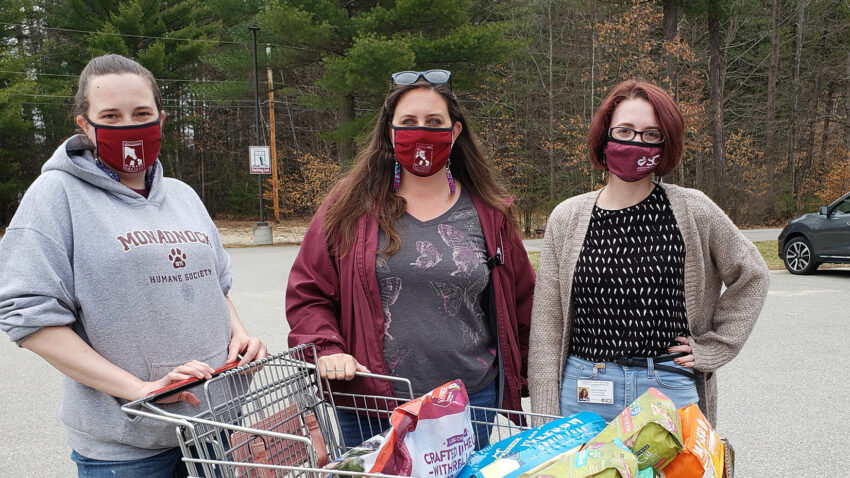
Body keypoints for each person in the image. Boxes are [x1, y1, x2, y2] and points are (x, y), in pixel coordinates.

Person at [0, 54, 267, 477]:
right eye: (111, 115)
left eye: (141, 113)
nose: (129, 126)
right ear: (84, 124)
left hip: (214, 428)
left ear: (160, 118)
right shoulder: (56, 195)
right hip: (130, 450)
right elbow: (29, 319)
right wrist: (141, 391)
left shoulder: (182, 195)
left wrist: (240, 336)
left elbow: (217, 286)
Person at [286, 69, 535, 448]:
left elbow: (522, 304)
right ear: (390, 132)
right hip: (372, 403)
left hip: (468, 402)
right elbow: (309, 292)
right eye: (409, 122)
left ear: (454, 132)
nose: (422, 131)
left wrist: (531, 377)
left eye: (434, 122)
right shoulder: (349, 205)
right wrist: (326, 349)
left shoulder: (490, 213)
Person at [528, 79, 769, 425]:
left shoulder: (692, 209)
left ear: (665, 143)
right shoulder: (567, 218)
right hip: (585, 391)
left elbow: (753, 274)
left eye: (650, 134)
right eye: (624, 131)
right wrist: (543, 419)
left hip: (667, 387)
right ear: (605, 135)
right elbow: (547, 329)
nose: (635, 142)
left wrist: (715, 346)